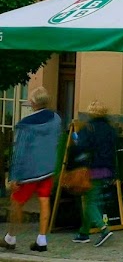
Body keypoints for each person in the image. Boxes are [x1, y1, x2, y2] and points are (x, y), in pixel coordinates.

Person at [2, 86, 62, 254]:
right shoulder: (56, 119)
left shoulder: (25, 124)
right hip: (48, 168)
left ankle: (11, 237)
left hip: (28, 171)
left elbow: (19, 151)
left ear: (32, 102)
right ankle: (42, 239)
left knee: (17, 202)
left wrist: (14, 176)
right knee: (44, 201)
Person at [71, 101, 117, 247]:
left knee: (90, 202)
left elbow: (80, 144)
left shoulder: (88, 128)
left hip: (92, 168)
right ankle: (83, 233)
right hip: (106, 168)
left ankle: (104, 229)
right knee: (90, 199)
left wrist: (74, 137)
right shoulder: (110, 129)